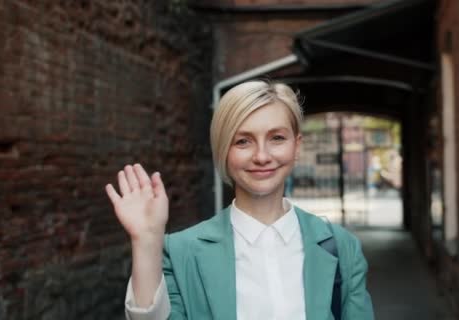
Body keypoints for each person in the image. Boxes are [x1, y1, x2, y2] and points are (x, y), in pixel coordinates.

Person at [105, 80, 374, 320]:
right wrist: (146, 241)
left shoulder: (340, 247)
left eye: (277, 138)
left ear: (297, 146)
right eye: (243, 141)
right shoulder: (180, 252)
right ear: (224, 150)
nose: (261, 156)